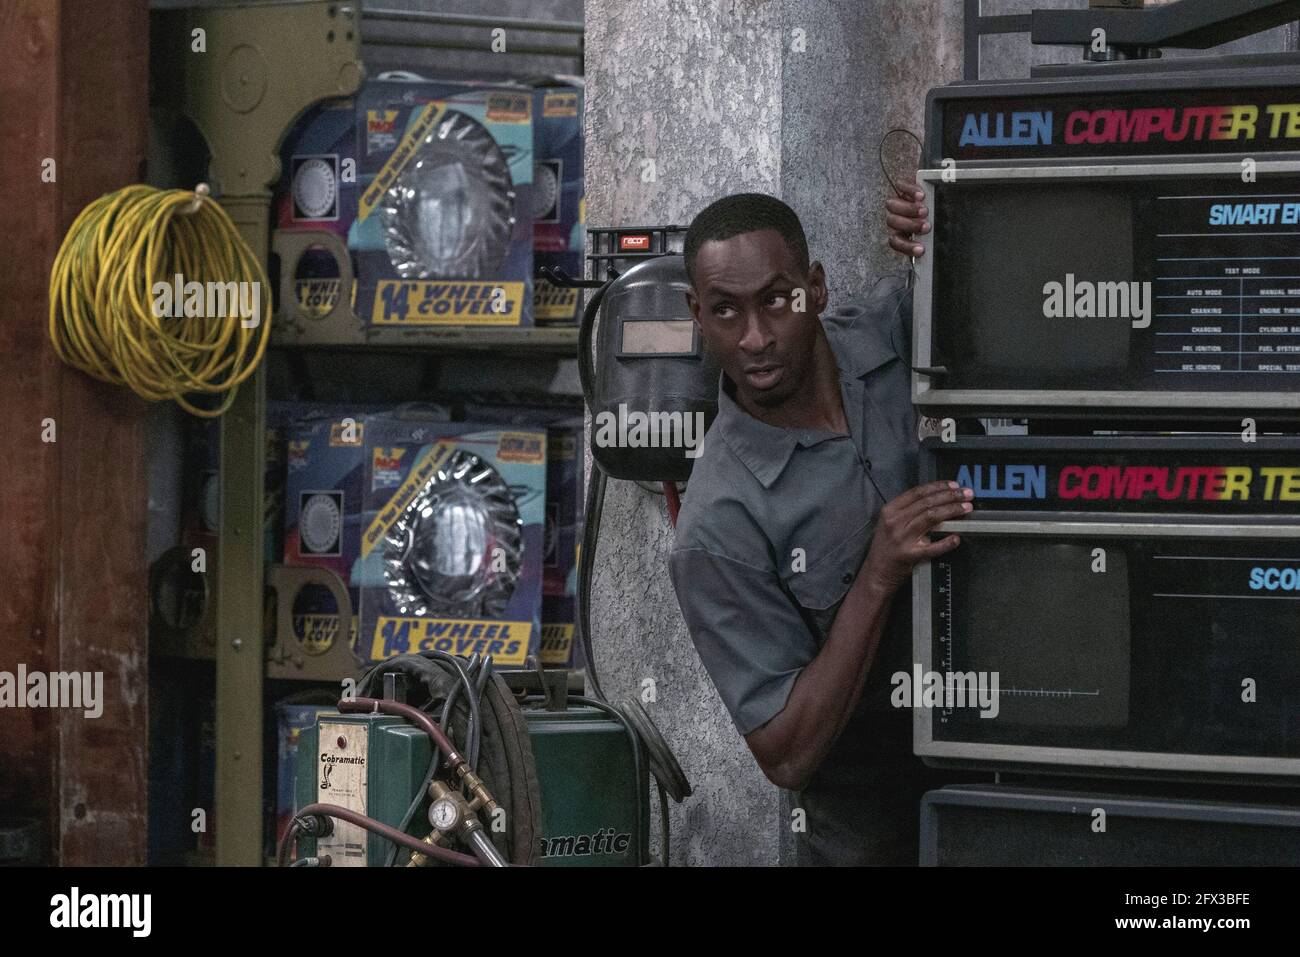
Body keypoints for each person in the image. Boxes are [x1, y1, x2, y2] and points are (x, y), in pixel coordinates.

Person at [667, 190, 970, 865]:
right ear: (697, 314)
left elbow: (1006, 295)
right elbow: (787, 752)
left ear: (816, 287)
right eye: (725, 311)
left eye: (777, 300)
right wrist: (877, 576)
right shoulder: (718, 524)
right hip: (873, 826)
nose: (755, 337)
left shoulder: (894, 329)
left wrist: (952, 219)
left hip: (1005, 771)